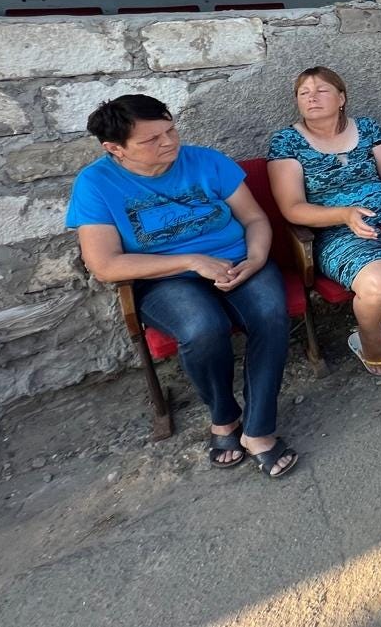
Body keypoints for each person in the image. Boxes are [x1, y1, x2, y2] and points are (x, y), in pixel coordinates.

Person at [66, 95, 298, 479]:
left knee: (271, 313)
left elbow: (254, 218)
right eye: (151, 139)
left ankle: (258, 429)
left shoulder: (206, 160)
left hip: (239, 260)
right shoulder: (95, 184)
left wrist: (256, 258)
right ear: (115, 149)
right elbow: (105, 264)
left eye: (171, 130)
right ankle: (224, 417)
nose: (169, 142)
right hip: (165, 278)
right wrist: (191, 261)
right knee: (201, 328)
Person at [267, 67, 381, 376]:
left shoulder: (366, 128)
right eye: (304, 93)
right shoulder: (286, 142)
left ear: (341, 98)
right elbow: (293, 207)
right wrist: (343, 214)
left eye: (321, 90)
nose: (312, 97)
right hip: (338, 231)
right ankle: (369, 341)